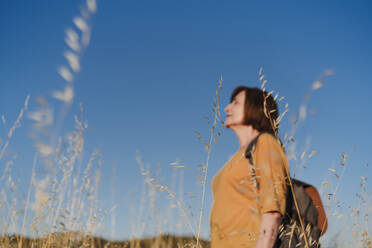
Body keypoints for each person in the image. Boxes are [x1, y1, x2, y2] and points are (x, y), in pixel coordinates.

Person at [210, 86, 289, 248]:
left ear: (255, 108)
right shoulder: (237, 157)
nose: (227, 108)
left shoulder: (265, 142)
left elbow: (272, 211)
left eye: (236, 103)